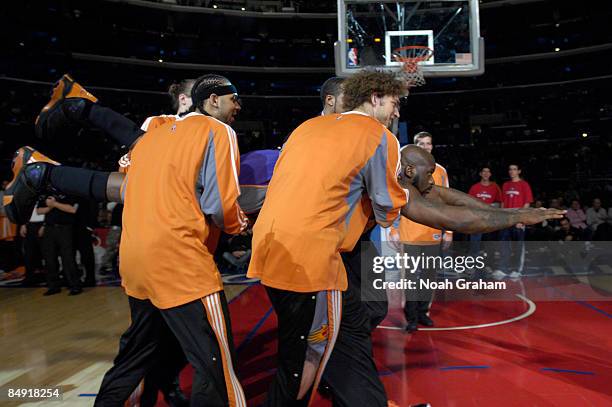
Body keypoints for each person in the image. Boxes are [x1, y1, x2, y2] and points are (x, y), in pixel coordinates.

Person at [248, 70, 408, 407]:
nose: (397, 112)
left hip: (269, 248)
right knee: (309, 354)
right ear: (375, 98)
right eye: (395, 103)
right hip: (315, 259)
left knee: (337, 333)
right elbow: (386, 207)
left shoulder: (306, 127)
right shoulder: (379, 136)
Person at [95, 73, 247, 407]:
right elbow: (219, 204)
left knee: (135, 355)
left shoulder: (151, 137)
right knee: (215, 363)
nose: (238, 107)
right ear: (212, 100)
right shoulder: (218, 131)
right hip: (180, 260)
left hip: (135, 260)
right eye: (235, 99)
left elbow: (125, 185)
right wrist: (238, 225)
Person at [398, 131, 451, 332]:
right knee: (411, 276)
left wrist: (449, 231)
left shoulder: (440, 171)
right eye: (421, 143)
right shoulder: (404, 170)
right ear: (415, 146)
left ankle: (423, 313)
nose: (426, 147)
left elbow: (447, 203)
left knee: (429, 275)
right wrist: (394, 229)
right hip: (410, 232)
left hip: (433, 232)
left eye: (429, 143)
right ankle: (411, 317)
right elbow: (396, 199)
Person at [36, 194, 82, 296]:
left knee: (68, 258)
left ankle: (74, 285)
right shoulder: (46, 193)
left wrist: (55, 204)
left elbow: (72, 209)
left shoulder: (68, 192)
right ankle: (53, 286)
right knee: (49, 258)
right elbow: (39, 211)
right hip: (49, 228)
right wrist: (50, 206)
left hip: (65, 228)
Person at [496, 163, 534, 278]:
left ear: (519, 171)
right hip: (507, 221)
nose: (512, 171)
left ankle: (517, 270)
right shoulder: (505, 185)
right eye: (510, 169)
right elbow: (502, 203)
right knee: (504, 246)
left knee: (518, 247)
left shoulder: (524, 185)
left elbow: (527, 203)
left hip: (518, 221)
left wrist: (520, 220)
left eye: (514, 169)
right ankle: (503, 269)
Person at [468, 166, 502, 255]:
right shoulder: (474, 187)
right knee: (475, 243)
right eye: (484, 171)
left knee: (489, 243)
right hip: (477, 219)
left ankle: (488, 264)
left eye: (488, 172)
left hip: (490, 219)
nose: (486, 173)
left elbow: (500, 203)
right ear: (480, 174)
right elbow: (469, 203)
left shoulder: (495, 187)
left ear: (490, 174)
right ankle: (473, 265)